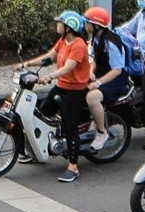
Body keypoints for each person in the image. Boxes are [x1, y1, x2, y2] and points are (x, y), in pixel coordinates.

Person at [17, 11, 94, 183]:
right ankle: (37, 150)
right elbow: (49, 57)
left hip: (74, 92)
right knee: (40, 115)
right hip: (60, 88)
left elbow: (68, 68)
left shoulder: (79, 45)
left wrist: (50, 77)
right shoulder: (63, 41)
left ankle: (73, 166)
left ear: (69, 27)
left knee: (70, 128)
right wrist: (27, 64)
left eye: (60, 23)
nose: (57, 25)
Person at [79, 7, 127, 151]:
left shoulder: (112, 43)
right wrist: (91, 72)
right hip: (101, 75)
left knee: (92, 98)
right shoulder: (95, 38)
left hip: (115, 80)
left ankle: (102, 132)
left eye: (88, 22)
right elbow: (94, 58)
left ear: (97, 25)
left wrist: (98, 83)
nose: (85, 25)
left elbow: (117, 70)